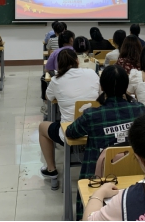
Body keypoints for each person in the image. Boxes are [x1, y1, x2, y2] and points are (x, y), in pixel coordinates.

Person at [65, 65, 145, 220]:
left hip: (98, 178)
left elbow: (70, 132)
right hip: (135, 173)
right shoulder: (139, 109)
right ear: (126, 87)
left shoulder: (92, 115)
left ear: (102, 87)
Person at [38, 49, 100, 189]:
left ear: (58, 65)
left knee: (42, 127)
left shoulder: (56, 80)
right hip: (94, 127)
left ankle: (51, 169)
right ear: (77, 61)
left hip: (70, 131)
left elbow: (48, 97)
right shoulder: (91, 73)